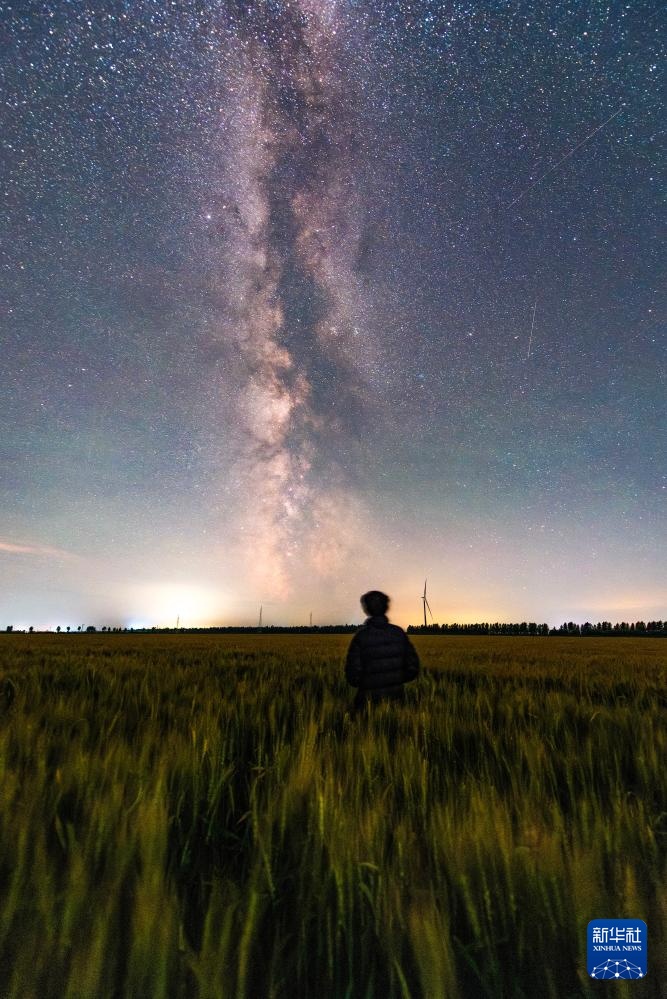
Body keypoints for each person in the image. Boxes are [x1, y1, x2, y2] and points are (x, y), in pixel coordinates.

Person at [345, 590, 420, 712]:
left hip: (366, 705)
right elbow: (413, 669)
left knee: (366, 728)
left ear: (366, 609)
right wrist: (395, 680)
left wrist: (369, 683)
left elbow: (352, 676)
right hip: (397, 702)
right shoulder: (399, 634)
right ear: (386, 608)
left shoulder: (361, 637)